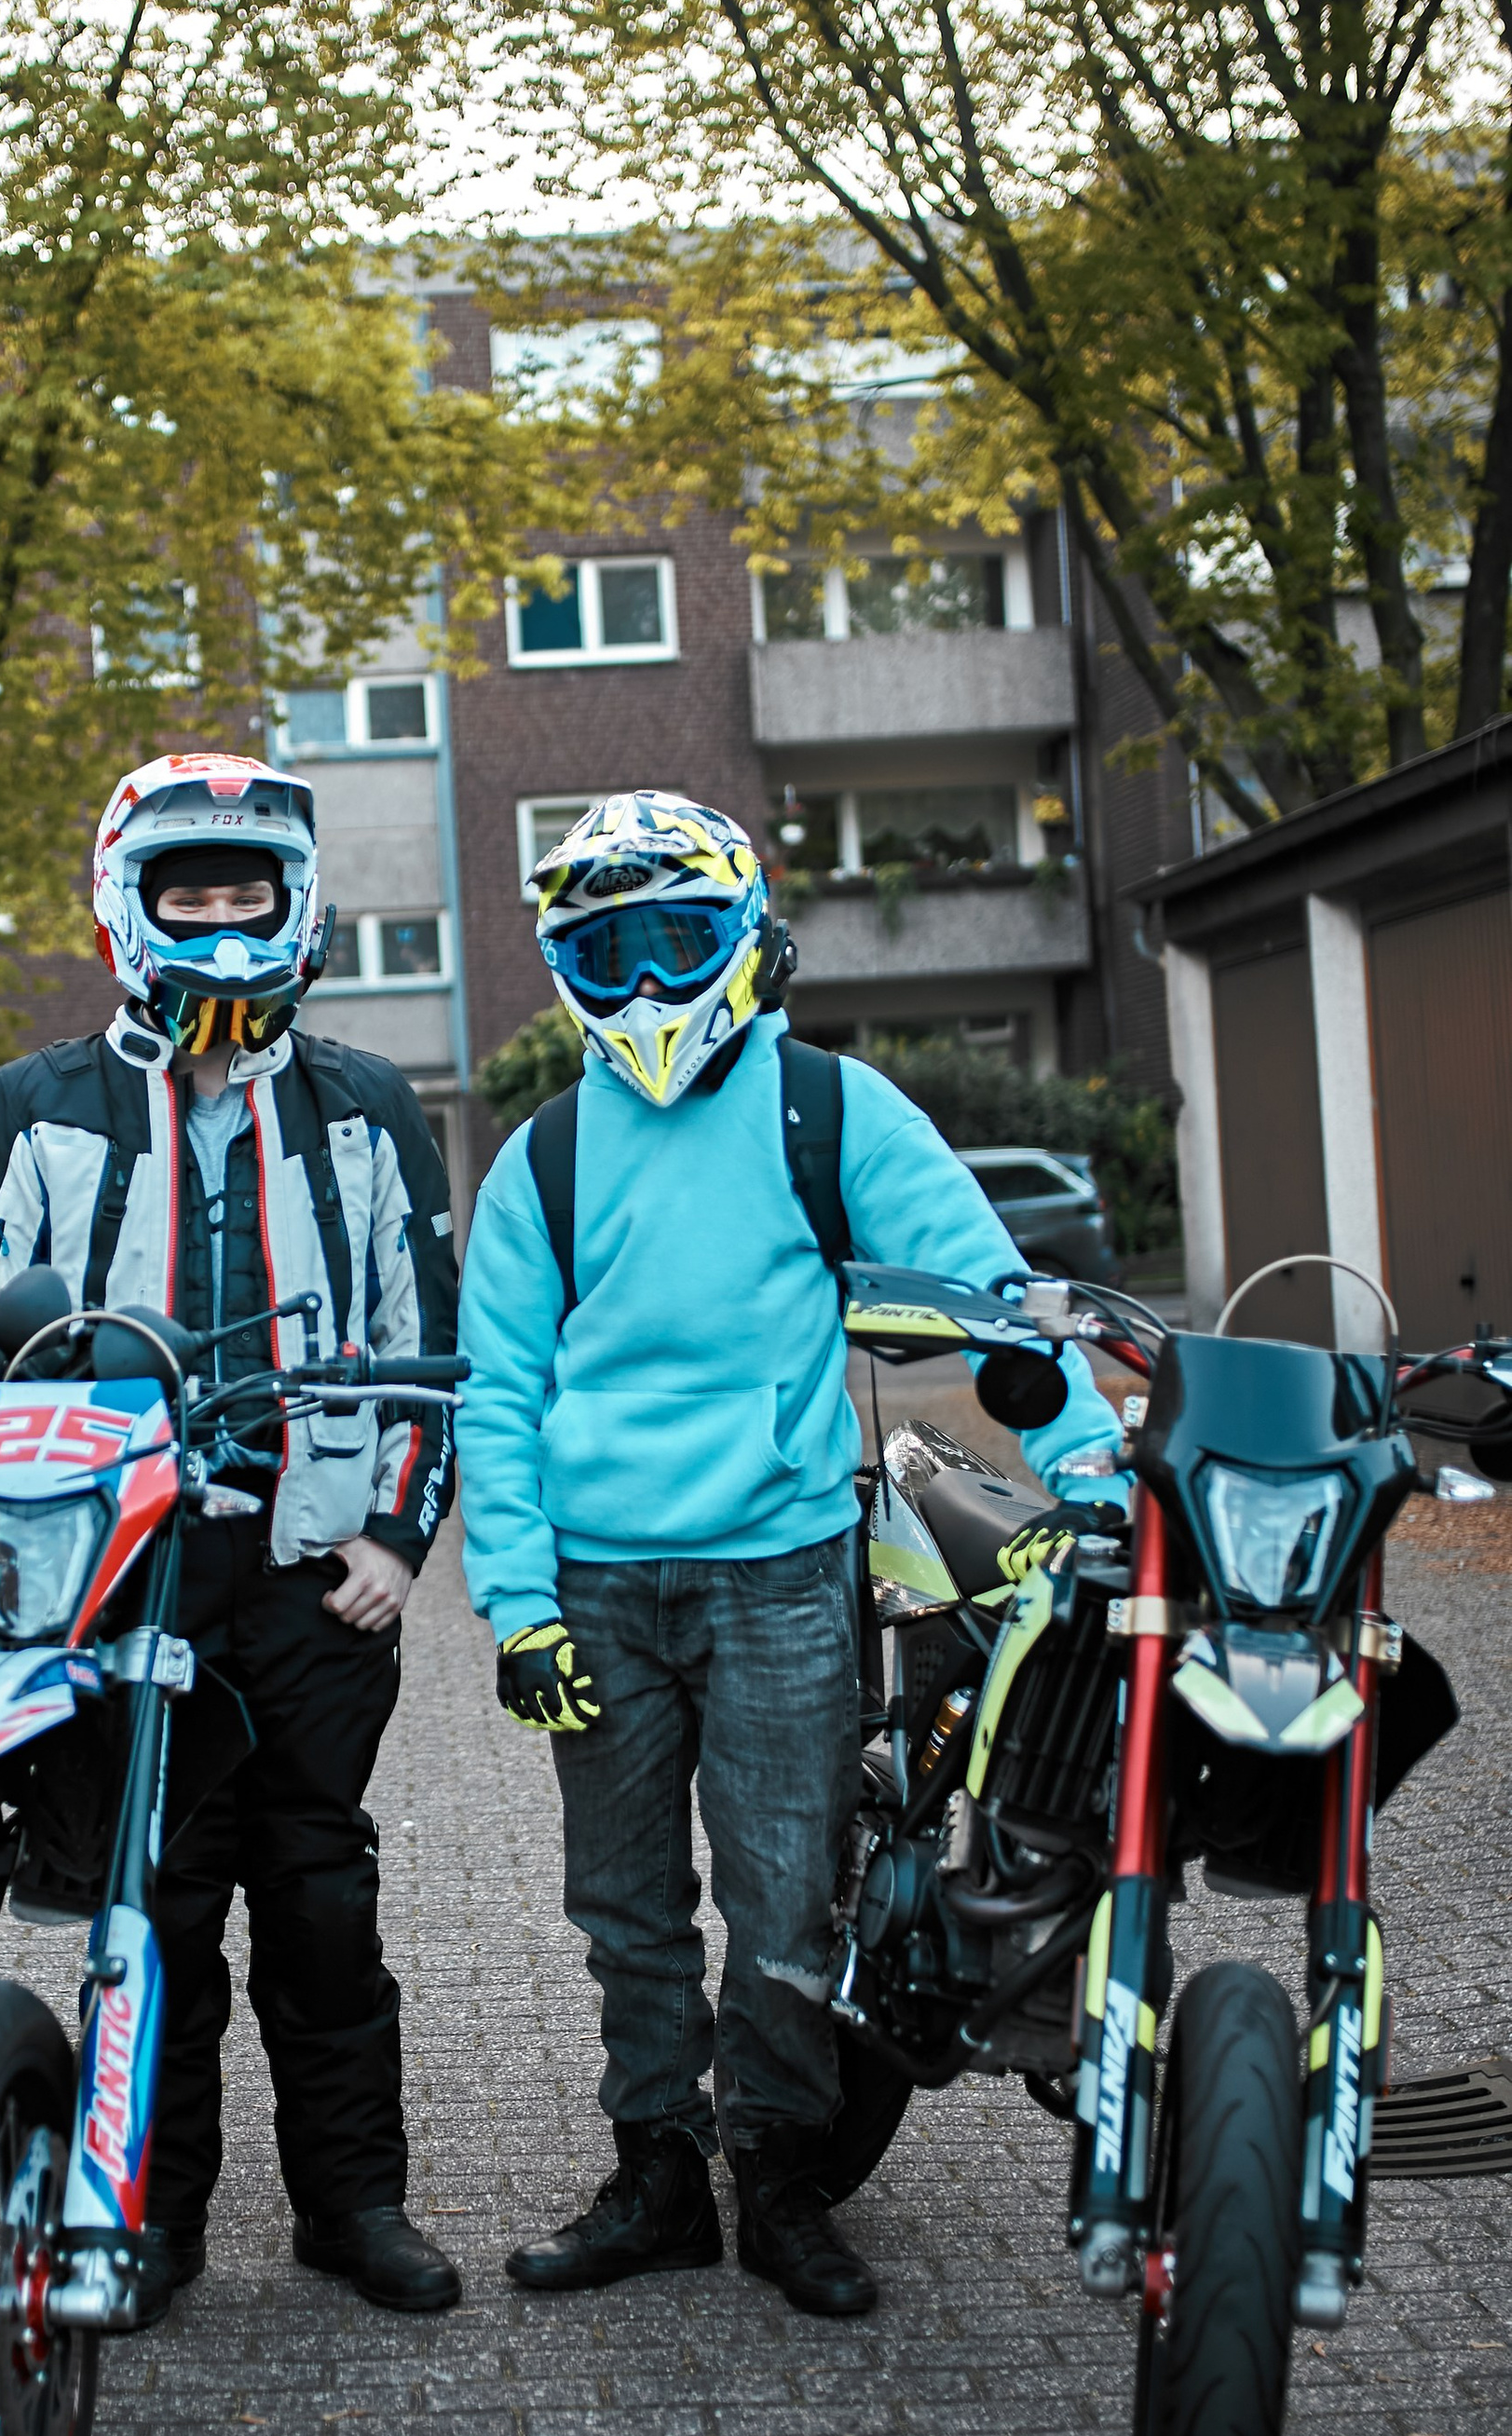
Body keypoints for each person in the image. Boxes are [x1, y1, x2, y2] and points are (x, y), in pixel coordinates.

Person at [456, 790, 1122, 2320]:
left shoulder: (832, 1110)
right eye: (602, 953)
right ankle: (658, 2180)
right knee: (622, 1909)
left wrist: (1083, 1456)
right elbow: (497, 1396)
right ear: (567, 967)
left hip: (783, 1574)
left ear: (745, 939)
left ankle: (780, 2183)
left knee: (780, 1903)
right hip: (598, 1597)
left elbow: (989, 1290)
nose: (640, 987)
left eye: (674, 942)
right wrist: (517, 1610)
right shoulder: (541, 1160)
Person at [0, 750, 463, 2316]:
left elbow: (428, 1343)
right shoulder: (32, 1109)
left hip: (314, 1579)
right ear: (129, 906)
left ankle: (352, 2208)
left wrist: (395, 1541)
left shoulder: (368, 1106)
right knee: (151, 1915)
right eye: (194, 895)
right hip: (124, 1574)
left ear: (298, 906)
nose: (225, 920)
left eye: (251, 893)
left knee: (321, 1901)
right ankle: (151, 2217)